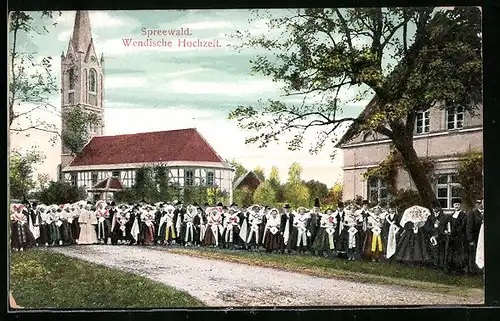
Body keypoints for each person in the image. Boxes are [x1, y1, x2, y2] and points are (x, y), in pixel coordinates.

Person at [444, 200, 468, 274]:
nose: (456, 206)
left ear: (460, 205)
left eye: (458, 204)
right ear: (453, 206)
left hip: (459, 238)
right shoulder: (451, 215)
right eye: (455, 205)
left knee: (458, 253)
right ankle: (450, 269)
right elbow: (446, 224)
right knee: (450, 252)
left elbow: (462, 227)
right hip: (450, 238)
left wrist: (453, 232)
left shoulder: (463, 215)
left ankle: (459, 269)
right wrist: (445, 230)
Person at [465, 199, 484, 275]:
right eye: (479, 204)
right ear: (477, 205)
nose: (481, 205)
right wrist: (470, 240)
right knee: (474, 254)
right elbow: (469, 227)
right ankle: (474, 271)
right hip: (475, 238)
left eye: (482, 203)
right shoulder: (472, 214)